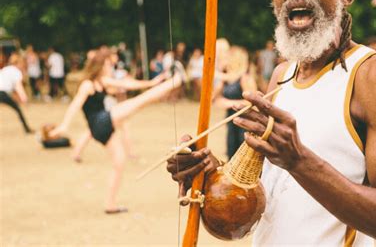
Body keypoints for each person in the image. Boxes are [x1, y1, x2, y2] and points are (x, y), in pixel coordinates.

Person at [167, 0, 376, 246]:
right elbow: (265, 204)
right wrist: (210, 175)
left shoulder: (375, 75)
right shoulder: (282, 76)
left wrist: (298, 161)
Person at [50, 52, 184, 213]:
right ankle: (176, 81)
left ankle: (110, 204)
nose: (109, 68)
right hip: (100, 122)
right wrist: (64, 126)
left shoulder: (102, 81)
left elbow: (127, 84)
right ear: (100, 66)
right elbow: (75, 105)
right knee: (139, 102)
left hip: (102, 128)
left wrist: (151, 82)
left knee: (119, 163)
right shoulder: (87, 84)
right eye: (107, 65)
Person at [214, 46, 257, 159]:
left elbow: (253, 102)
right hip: (231, 122)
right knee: (231, 155)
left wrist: (228, 103)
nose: (225, 59)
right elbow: (215, 100)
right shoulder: (226, 79)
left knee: (243, 156)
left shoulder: (245, 78)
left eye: (229, 56)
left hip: (244, 122)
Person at [0, 53, 34, 133]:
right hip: (2, 93)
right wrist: (24, 98)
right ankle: (27, 129)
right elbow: (18, 87)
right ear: (19, 63)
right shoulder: (17, 72)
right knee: (18, 109)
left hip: (3, 93)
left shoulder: (5, 69)